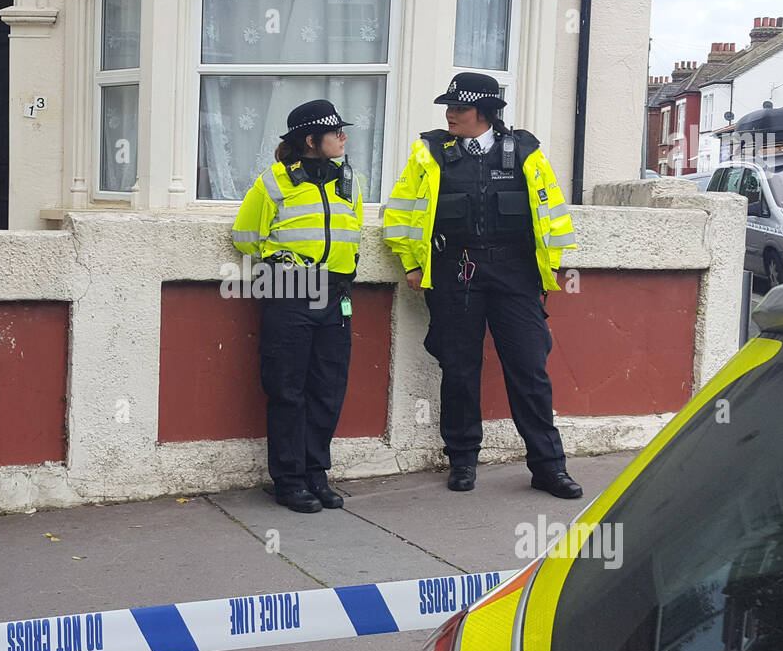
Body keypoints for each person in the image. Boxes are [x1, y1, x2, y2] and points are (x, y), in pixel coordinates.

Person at [383, 73, 583, 498]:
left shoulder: (526, 152)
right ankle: (462, 460)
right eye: (449, 108)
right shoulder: (430, 152)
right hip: (456, 269)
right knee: (458, 368)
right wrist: (411, 263)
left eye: (459, 108)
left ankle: (549, 466)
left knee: (530, 368)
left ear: (485, 113)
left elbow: (553, 216)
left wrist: (549, 269)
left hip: (516, 273)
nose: (450, 115)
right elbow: (400, 214)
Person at [232, 99, 364, 513]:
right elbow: (246, 237)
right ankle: (288, 479)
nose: (343, 138)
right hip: (288, 291)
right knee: (288, 389)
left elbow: (355, 230)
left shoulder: (350, 180)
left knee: (328, 388)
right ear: (311, 140)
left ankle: (315, 474)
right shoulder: (273, 182)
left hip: (334, 295)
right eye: (335, 132)